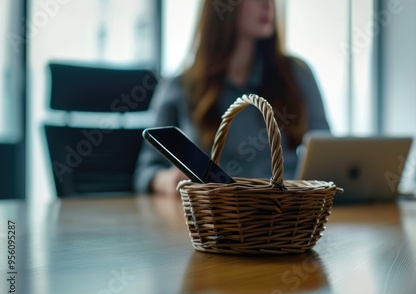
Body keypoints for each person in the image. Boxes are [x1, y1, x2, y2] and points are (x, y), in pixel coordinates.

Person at [133, 0, 330, 196]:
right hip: (216, 217)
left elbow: (328, 153)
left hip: (287, 215)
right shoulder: (180, 86)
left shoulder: (296, 75)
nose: (268, 4)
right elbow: (146, 170)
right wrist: (168, 180)